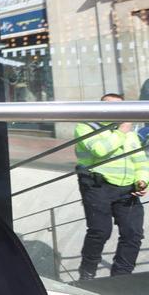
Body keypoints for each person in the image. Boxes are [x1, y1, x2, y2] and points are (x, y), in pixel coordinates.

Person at [74, 93, 149, 279]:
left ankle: (122, 276)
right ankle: (87, 272)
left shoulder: (130, 133)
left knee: (133, 233)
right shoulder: (86, 127)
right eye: (113, 107)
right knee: (100, 231)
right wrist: (121, 131)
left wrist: (143, 180)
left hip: (127, 189)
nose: (119, 111)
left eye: (121, 107)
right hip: (97, 186)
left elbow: (140, 160)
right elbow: (100, 150)